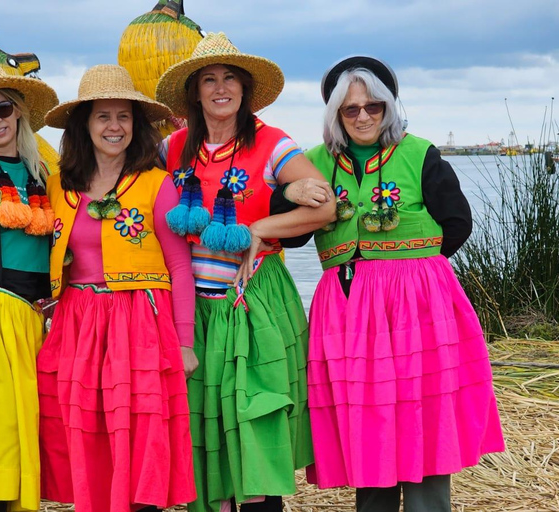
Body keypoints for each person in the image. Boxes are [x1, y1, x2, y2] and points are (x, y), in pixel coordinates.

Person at [302, 56, 506, 512]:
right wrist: (293, 194)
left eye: (373, 107)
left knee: (425, 412)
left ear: (389, 108)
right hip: (350, 312)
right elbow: (293, 233)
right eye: (350, 109)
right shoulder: (314, 164)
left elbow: (458, 223)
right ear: (335, 114)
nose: (362, 117)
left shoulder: (420, 154)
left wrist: (414, 272)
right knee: (369, 421)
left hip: (417, 307)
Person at [154, 32, 335, 512]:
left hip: (252, 299)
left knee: (254, 422)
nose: (220, 88)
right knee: (205, 429)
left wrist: (263, 226)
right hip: (195, 306)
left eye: (229, 78)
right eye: (209, 79)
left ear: (244, 89)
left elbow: (324, 205)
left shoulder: (273, 143)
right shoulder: (172, 149)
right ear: (194, 91)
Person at [36, 64, 197, 512]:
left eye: (123, 116)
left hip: (140, 324)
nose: (114, 126)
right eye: (103, 116)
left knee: (143, 437)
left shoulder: (155, 185)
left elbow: (179, 266)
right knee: (88, 439)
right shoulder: (57, 188)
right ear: (83, 125)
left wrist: (184, 343)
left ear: (136, 125)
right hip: (77, 325)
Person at [0, 56, 58, 512]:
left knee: (25, 427)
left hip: (33, 316)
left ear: (17, 108)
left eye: (2, 109)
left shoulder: (46, 166)